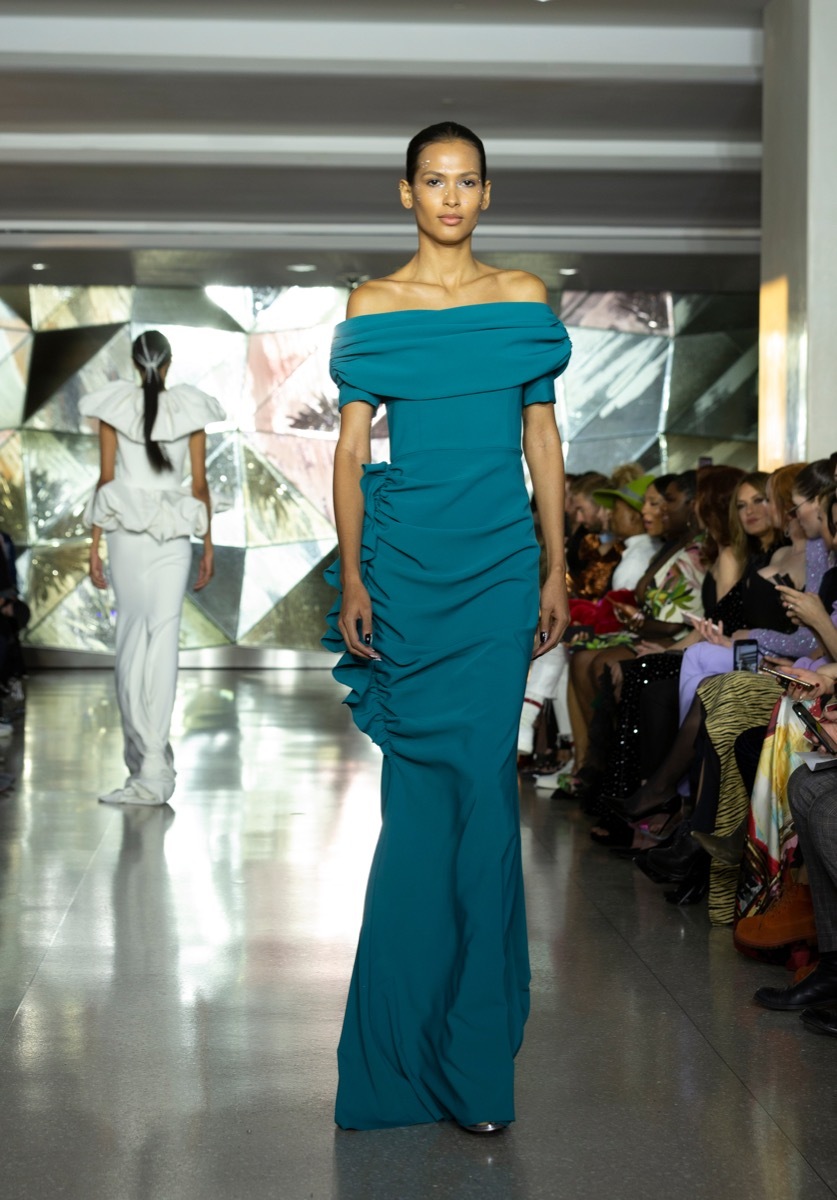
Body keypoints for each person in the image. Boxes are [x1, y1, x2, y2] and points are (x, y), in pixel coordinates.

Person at [323, 122, 571, 1134]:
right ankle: (402, 1054)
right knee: (416, 810)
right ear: (406, 193)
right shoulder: (372, 308)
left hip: (500, 564)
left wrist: (558, 562)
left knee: (481, 796)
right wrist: (350, 574)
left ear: (487, 192)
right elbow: (347, 454)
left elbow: (542, 436)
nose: (452, 196)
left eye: (468, 181)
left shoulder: (522, 303)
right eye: (435, 180)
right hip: (412, 570)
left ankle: (473, 1063)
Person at [81, 331, 223, 806]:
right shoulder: (189, 411)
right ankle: (153, 763)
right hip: (175, 539)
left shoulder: (114, 411)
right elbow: (199, 487)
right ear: (168, 363)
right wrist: (208, 547)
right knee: (162, 642)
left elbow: (106, 481)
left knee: (131, 645)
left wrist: (94, 545)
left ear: (134, 361)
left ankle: (148, 762)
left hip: (127, 538)